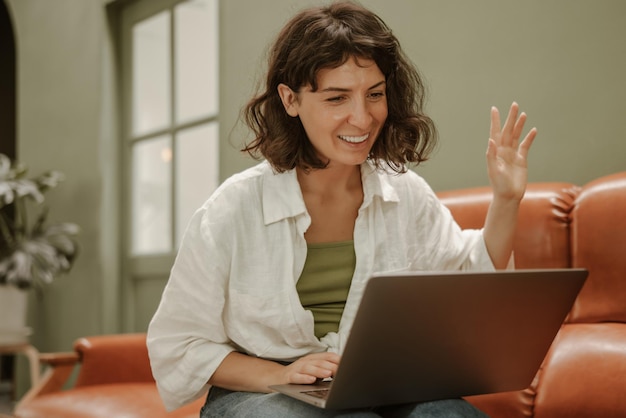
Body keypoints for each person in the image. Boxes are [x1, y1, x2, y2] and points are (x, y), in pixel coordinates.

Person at [147, 2, 537, 417]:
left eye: (375, 95)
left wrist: (507, 200)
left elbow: (470, 280)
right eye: (337, 98)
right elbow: (180, 344)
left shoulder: (406, 194)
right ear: (290, 99)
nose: (363, 118)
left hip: (380, 381)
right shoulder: (231, 209)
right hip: (262, 391)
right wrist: (277, 375)